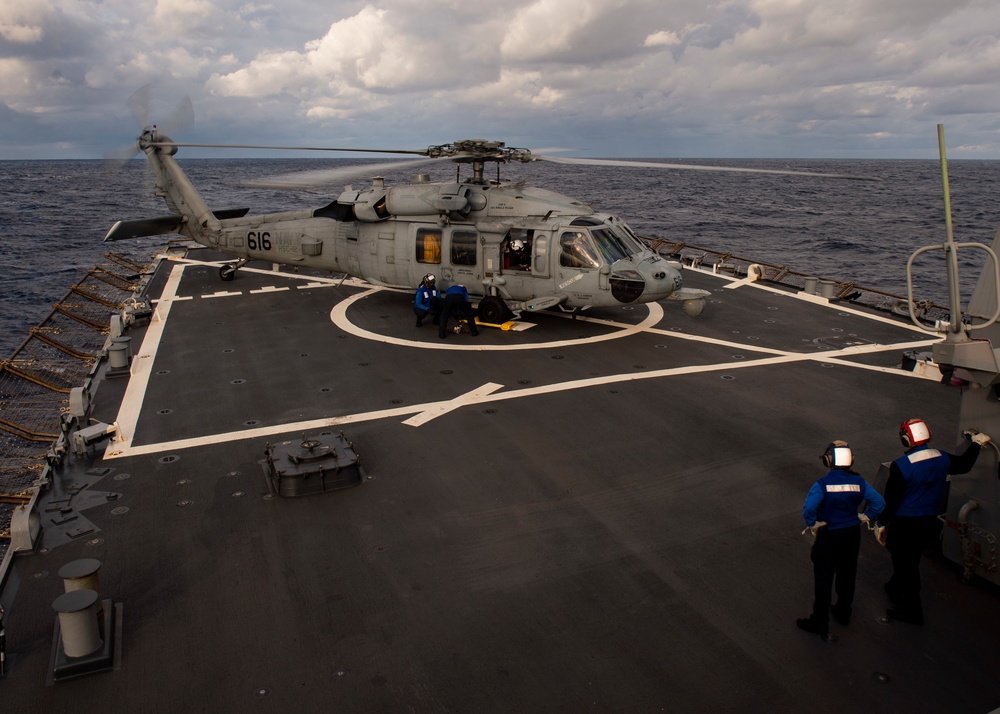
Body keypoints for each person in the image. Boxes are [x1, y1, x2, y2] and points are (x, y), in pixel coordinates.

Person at [879, 418, 989, 625]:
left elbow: (891, 501)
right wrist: (976, 443)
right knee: (910, 558)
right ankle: (895, 586)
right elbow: (964, 465)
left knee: (904, 562)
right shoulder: (942, 457)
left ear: (905, 440)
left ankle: (912, 610)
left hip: (905, 524)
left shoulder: (901, 467)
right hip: (928, 522)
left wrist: (881, 522)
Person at [797, 440, 885, 639]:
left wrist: (813, 523)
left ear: (829, 461)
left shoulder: (822, 484)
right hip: (851, 534)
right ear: (850, 461)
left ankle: (820, 621)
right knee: (847, 574)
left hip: (829, 534)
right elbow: (879, 503)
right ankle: (843, 612)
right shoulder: (860, 482)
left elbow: (809, 509)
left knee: (824, 577)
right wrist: (867, 516)